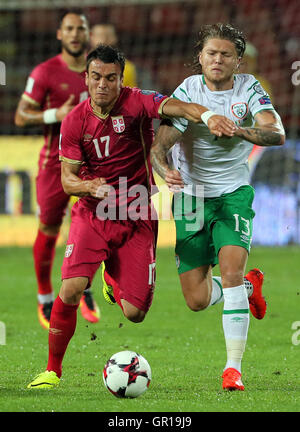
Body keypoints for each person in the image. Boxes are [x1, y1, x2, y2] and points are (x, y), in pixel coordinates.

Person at [27, 44, 237, 388]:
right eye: (96, 77)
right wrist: (89, 187)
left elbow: (176, 106)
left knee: (135, 314)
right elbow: (67, 179)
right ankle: (53, 370)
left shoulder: (137, 101)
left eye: (111, 78)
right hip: (92, 217)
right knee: (71, 290)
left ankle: (113, 278)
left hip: (137, 217)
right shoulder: (74, 121)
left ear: (120, 80)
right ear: (86, 78)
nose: (103, 85)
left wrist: (208, 115)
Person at [150, 23, 285, 391]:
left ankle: (233, 369)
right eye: (211, 53)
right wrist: (167, 172)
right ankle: (248, 284)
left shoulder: (249, 89)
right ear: (200, 57)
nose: (218, 60)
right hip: (191, 199)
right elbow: (159, 149)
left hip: (233, 195)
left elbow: (277, 133)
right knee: (196, 299)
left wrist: (238, 129)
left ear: (238, 60)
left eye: (226, 54)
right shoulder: (188, 92)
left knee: (227, 272)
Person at [14, 11, 100, 329]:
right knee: (50, 229)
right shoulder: (46, 71)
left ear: (88, 34)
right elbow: (22, 116)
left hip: (94, 163)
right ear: (59, 34)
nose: (76, 34)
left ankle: (86, 287)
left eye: (81, 29)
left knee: (99, 226)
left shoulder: (97, 71)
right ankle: (44, 296)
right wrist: (55, 114)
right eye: (70, 29)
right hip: (54, 163)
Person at [90, 23, 138, 88]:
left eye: (108, 36)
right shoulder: (81, 65)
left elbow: (131, 95)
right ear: (91, 37)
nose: (104, 40)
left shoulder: (127, 68)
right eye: (100, 35)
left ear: (115, 38)